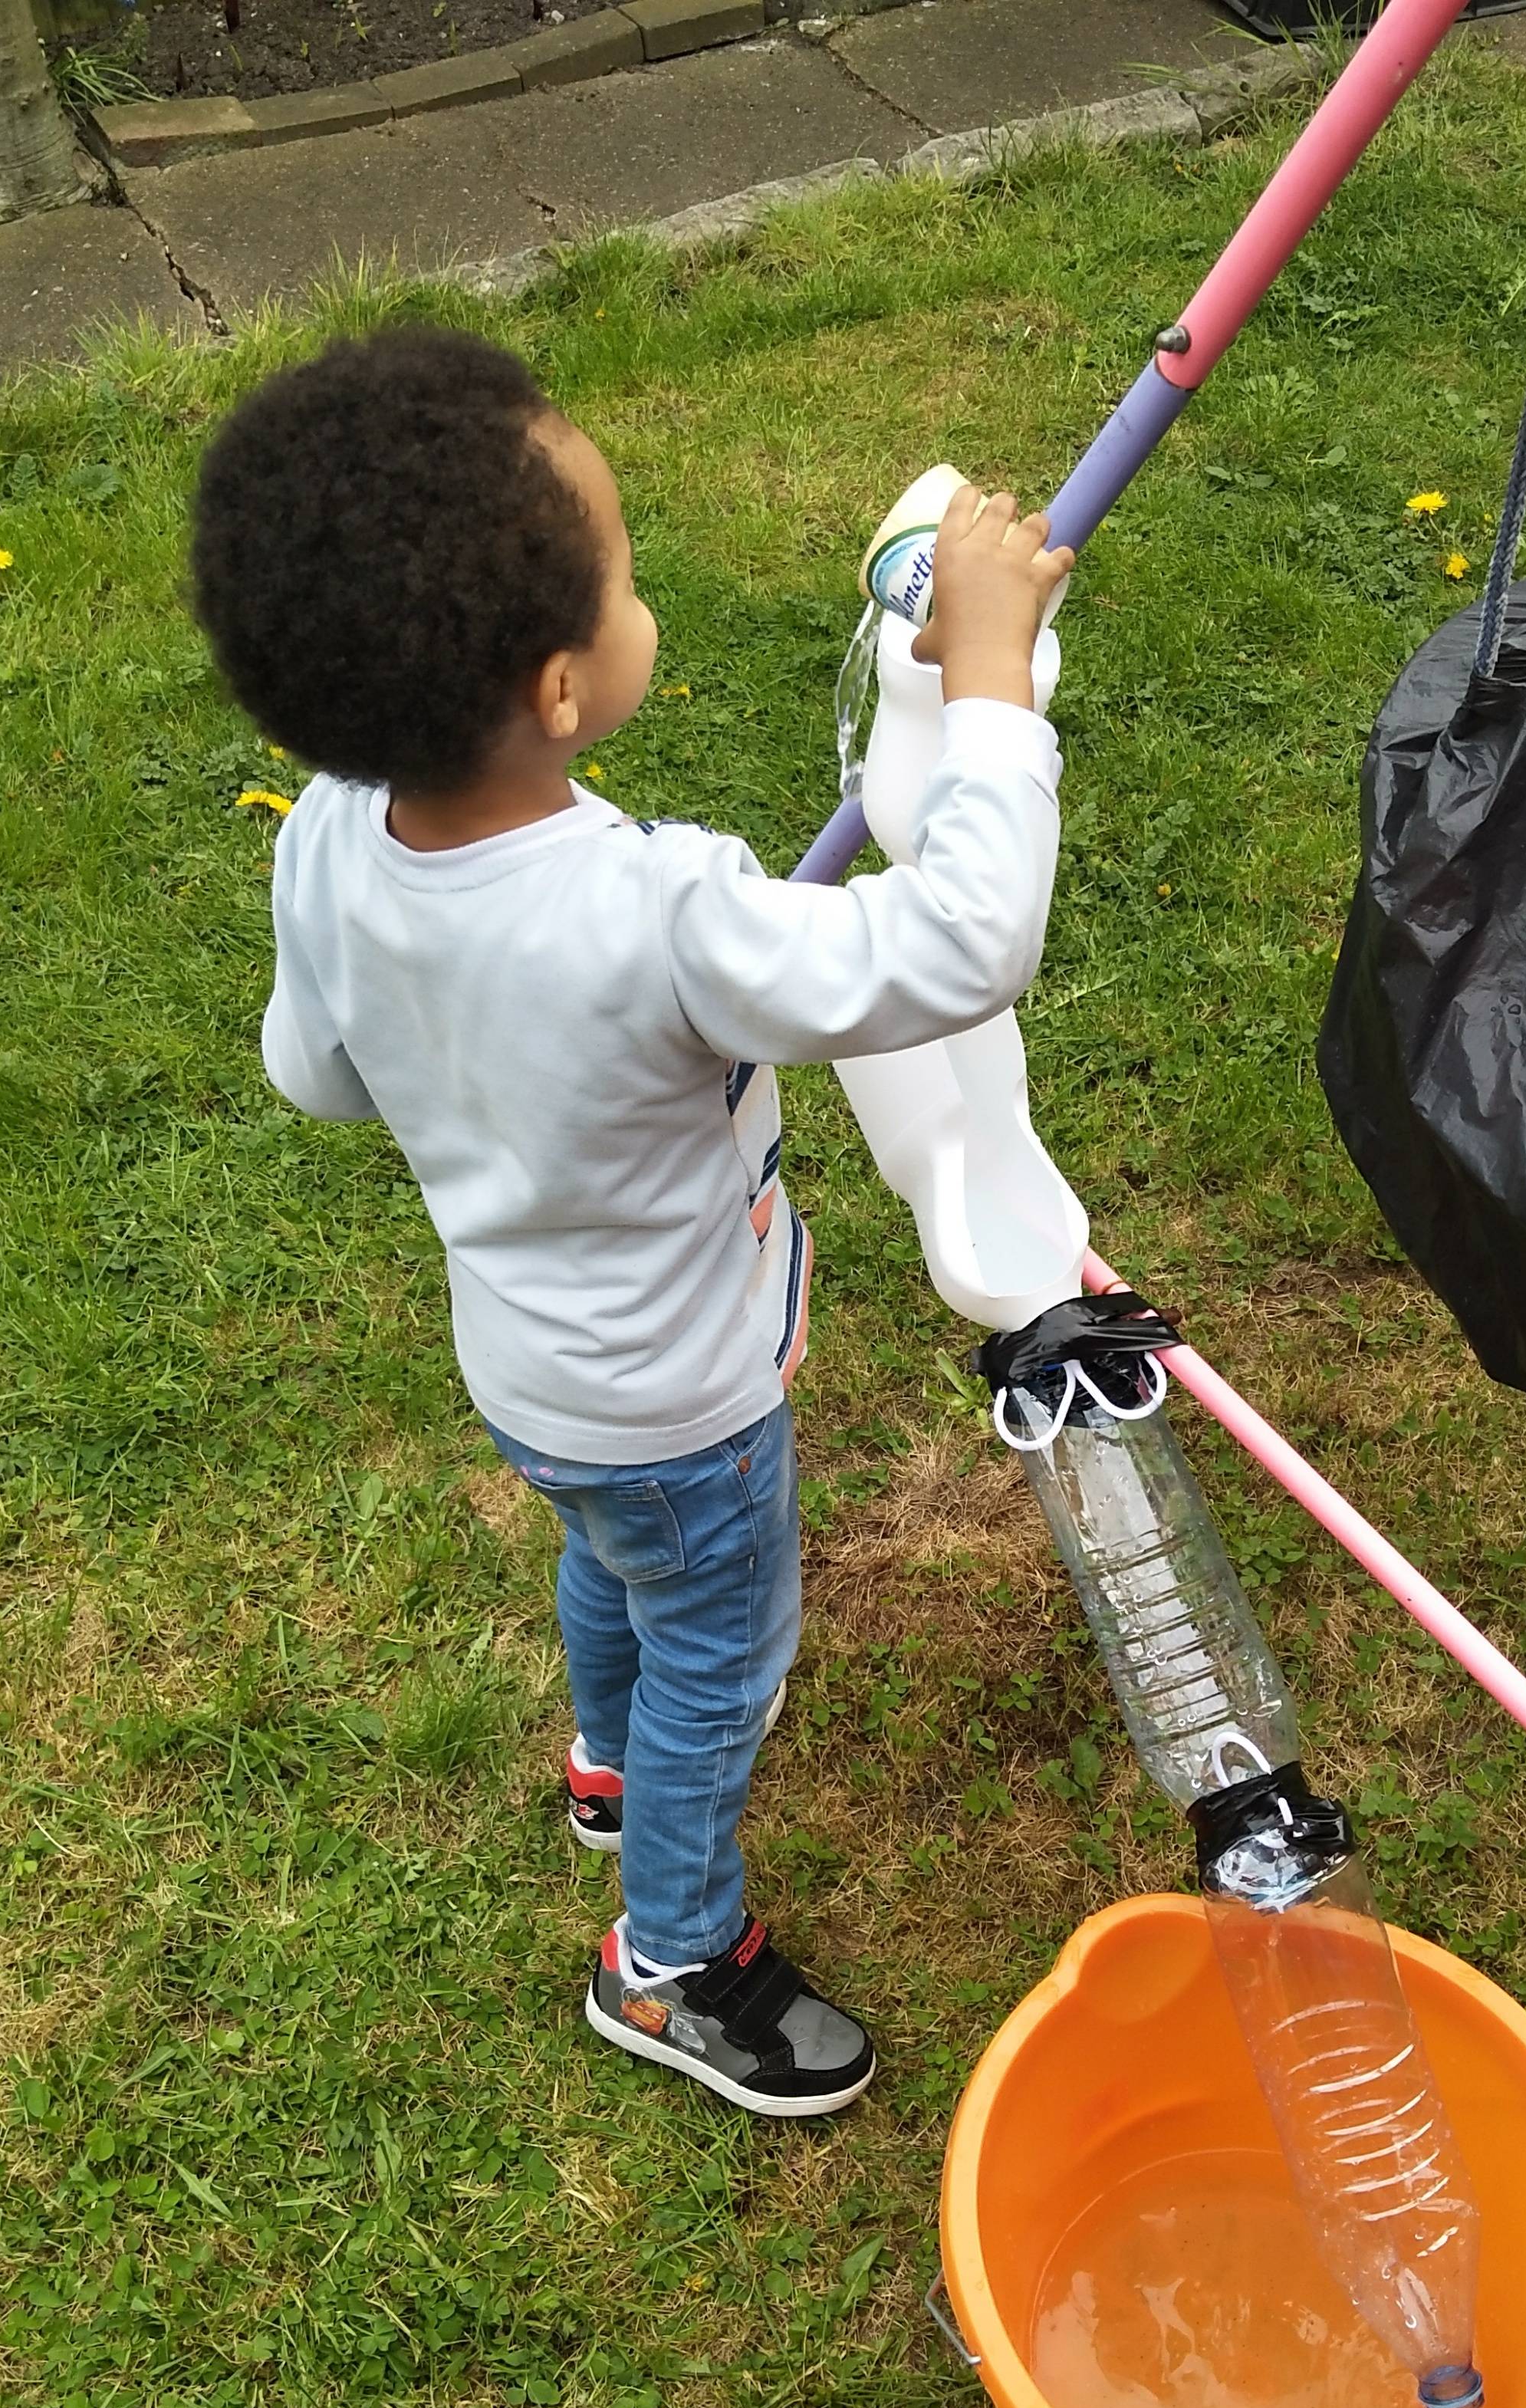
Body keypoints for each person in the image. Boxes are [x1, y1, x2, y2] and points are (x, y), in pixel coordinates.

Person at [189, 325, 1071, 2117]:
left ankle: (603, 1760)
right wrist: (990, 687)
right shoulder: (661, 913)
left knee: (614, 1561)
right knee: (716, 1659)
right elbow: (961, 944)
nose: (641, 595)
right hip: (682, 1406)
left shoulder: (329, 836)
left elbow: (317, 1075)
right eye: (628, 576)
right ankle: (671, 1961)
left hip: (533, 1377)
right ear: (560, 689)